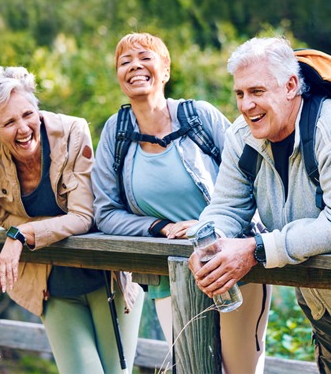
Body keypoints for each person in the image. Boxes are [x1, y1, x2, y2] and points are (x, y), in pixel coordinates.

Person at [91, 32, 272, 374]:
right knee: (191, 369)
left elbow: (252, 176)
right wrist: (160, 226)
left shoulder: (199, 117)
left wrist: (208, 224)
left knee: (241, 371)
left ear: (166, 69)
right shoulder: (115, 132)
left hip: (233, 265)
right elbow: (105, 212)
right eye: (124, 61)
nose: (134, 66)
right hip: (169, 276)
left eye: (144, 57)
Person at [0, 65, 144, 374]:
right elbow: (2, 217)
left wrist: (22, 234)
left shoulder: (72, 131)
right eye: (9, 122)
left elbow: (82, 215)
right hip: (51, 287)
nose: (23, 128)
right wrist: (25, 231)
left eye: (27, 114)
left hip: (106, 280)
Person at [188, 36, 331, 374]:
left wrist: (256, 250)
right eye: (239, 94)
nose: (245, 105)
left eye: (256, 92)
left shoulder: (327, 128)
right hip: (322, 308)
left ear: (291, 86)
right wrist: (210, 238)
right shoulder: (242, 137)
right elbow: (226, 205)